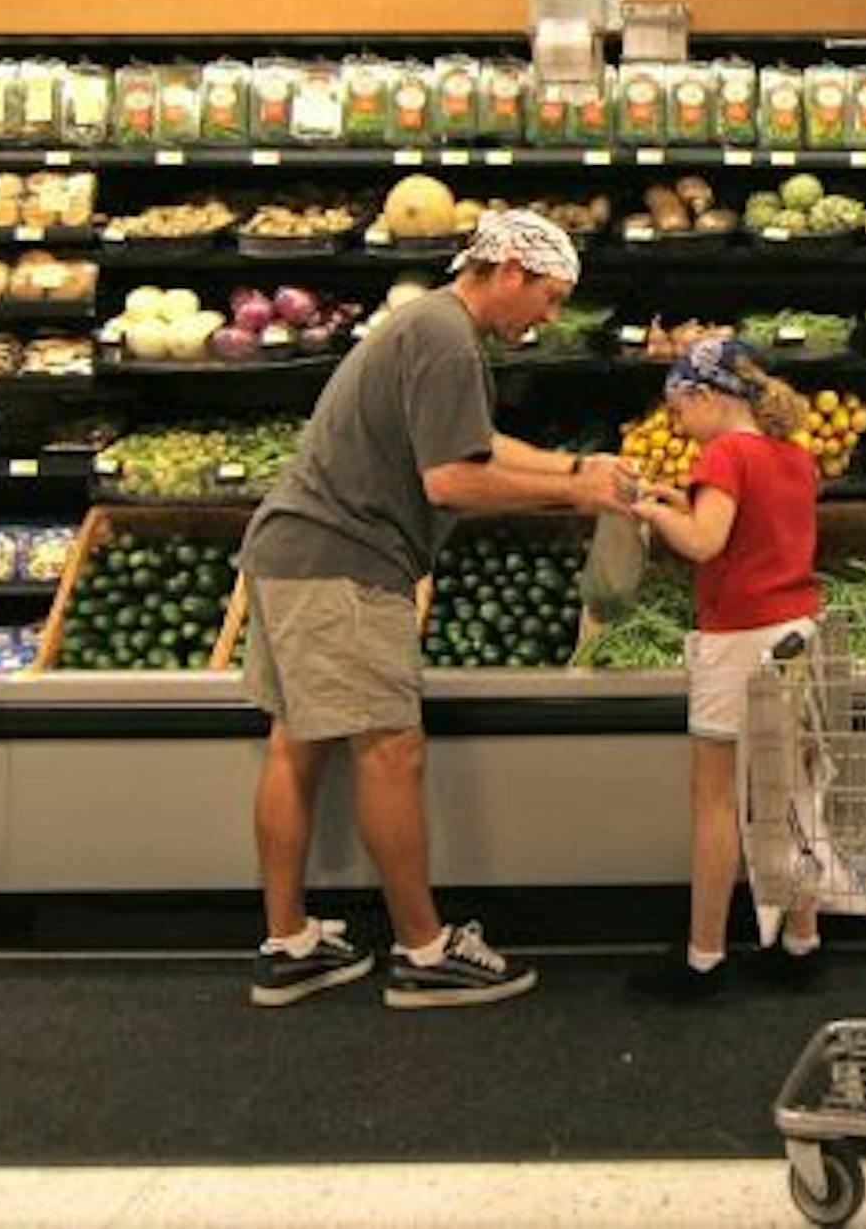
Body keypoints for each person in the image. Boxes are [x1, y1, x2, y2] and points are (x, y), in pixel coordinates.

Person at [239, 209, 632, 1010]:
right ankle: (424, 949)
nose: (550, 317)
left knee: (296, 745)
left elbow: (474, 441)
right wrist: (572, 491)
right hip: (345, 564)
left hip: (291, 552)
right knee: (391, 750)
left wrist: (577, 464)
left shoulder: (428, 324)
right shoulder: (448, 336)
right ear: (510, 274)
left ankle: (289, 943)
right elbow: (452, 479)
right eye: (550, 297)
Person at [624, 334, 824, 1003]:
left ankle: (703, 959)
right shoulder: (793, 454)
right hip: (799, 633)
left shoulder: (725, 453)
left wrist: (652, 511)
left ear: (704, 395)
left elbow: (707, 543)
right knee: (792, 794)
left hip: (740, 641)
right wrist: (686, 503)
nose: (677, 423)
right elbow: (754, 533)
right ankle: (802, 943)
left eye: (678, 409)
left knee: (714, 800)